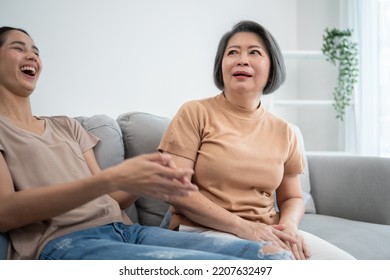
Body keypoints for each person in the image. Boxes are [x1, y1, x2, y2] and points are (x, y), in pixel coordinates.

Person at [0, 26, 293, 260]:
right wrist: (111, 177)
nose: (32, 55)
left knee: (272, 257)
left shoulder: (67, 126)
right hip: (63, 243)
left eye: (36, 51)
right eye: (18, 48)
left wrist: (142, 181)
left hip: (126, 231)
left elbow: (106, 201)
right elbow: (5, 213)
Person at [158, 20, 355, 260]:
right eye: (233, 52)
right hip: (199, 230)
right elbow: (174, 190)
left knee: (347, 265)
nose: (242, 59)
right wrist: (243, 227)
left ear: (272, 68)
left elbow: (292, 197)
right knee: (279, 262)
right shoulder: (194, 113)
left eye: (254, 52)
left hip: (266, 231)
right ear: (222, 66)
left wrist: (289, 227)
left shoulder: (285, 131)